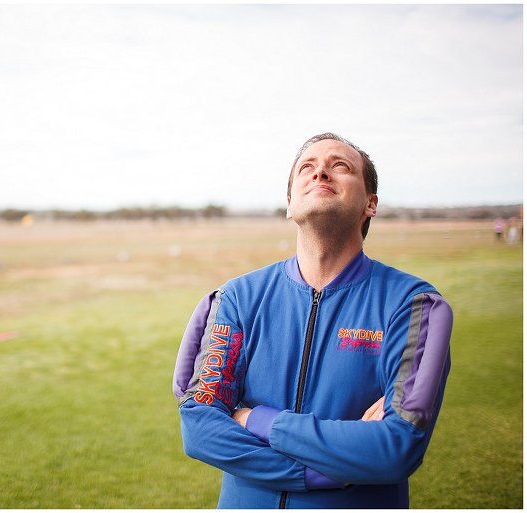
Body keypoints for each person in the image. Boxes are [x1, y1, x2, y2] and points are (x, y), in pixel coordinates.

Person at [172, 133, 453, 508]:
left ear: (371, 204)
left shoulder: (413, 305)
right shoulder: (237, 299)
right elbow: (199, 430)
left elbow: (396, 447)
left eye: (340, 166)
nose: (320, 172)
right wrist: (322, 472)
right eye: (307, 166)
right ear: (289, 204)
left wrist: (254, 419)